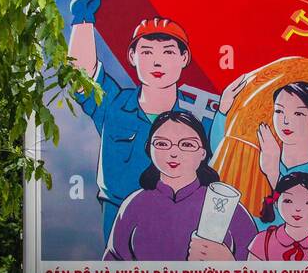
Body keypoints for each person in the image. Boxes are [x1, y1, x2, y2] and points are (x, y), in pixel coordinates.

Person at [65, 0, 217, 245]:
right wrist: (82, 21)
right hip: (120, 224)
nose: (157, 61)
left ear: (184, 59)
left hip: (183, 226)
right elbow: (82, 76)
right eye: (146, 52)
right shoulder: (113, 105)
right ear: (132, 57)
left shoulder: (201, 117)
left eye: (169, 52)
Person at [104, 111, 257, 262]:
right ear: (149, 149)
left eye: (187, 144)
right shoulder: (134, 204)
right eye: (162, 143)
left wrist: (229, 263)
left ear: (203, 153)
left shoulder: (228, 208)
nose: (173, 153)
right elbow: (111, 265)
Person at [212, 76, 308, 227]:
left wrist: (273, 174)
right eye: (279, 111)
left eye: (298, 114)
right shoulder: (263, 156)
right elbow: (220, 157)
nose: (285, 121)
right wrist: (223, 110)